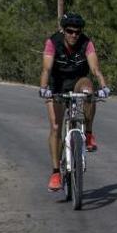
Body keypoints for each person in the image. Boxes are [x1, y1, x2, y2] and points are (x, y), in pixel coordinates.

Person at [39, 12, 110, 191]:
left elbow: (95, 69)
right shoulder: (53, 42)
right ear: (63, 30)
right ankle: (56, 173)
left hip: (78, 81)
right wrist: (44, 88)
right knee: (56, 127)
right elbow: (46, 69)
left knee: (89, 91)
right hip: (56, 85)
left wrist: (104, 86)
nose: (73, 35)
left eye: (77, 32)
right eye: (70, 31)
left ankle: (89, 133)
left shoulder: (86, 43)